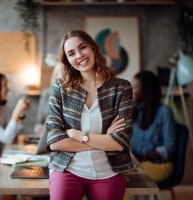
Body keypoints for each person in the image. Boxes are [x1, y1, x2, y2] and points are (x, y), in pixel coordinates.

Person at [45, 30, 134, 200]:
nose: (79, 55)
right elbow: (55, 141)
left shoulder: (121, 88)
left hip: (109, 171)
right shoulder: (60, 88)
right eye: (71, 53)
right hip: (68, 169)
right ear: (68, 61)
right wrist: (104, 141)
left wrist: (77, 135)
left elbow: (119, 142)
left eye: (82, 47)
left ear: (93, 48)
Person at [131, 70, 176, 183]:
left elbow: (170, 148)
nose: (130, 91)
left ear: (146, 90)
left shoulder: (164, 112)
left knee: (119, 179)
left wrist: (143, 157)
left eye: (135, 87)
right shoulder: (136, 112)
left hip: (159, 166)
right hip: (138, 163)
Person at [34, 64, 62, 135]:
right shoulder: (46, 93)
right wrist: (39, 128)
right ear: (54, 77)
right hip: (46, 136)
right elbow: (39, 122)